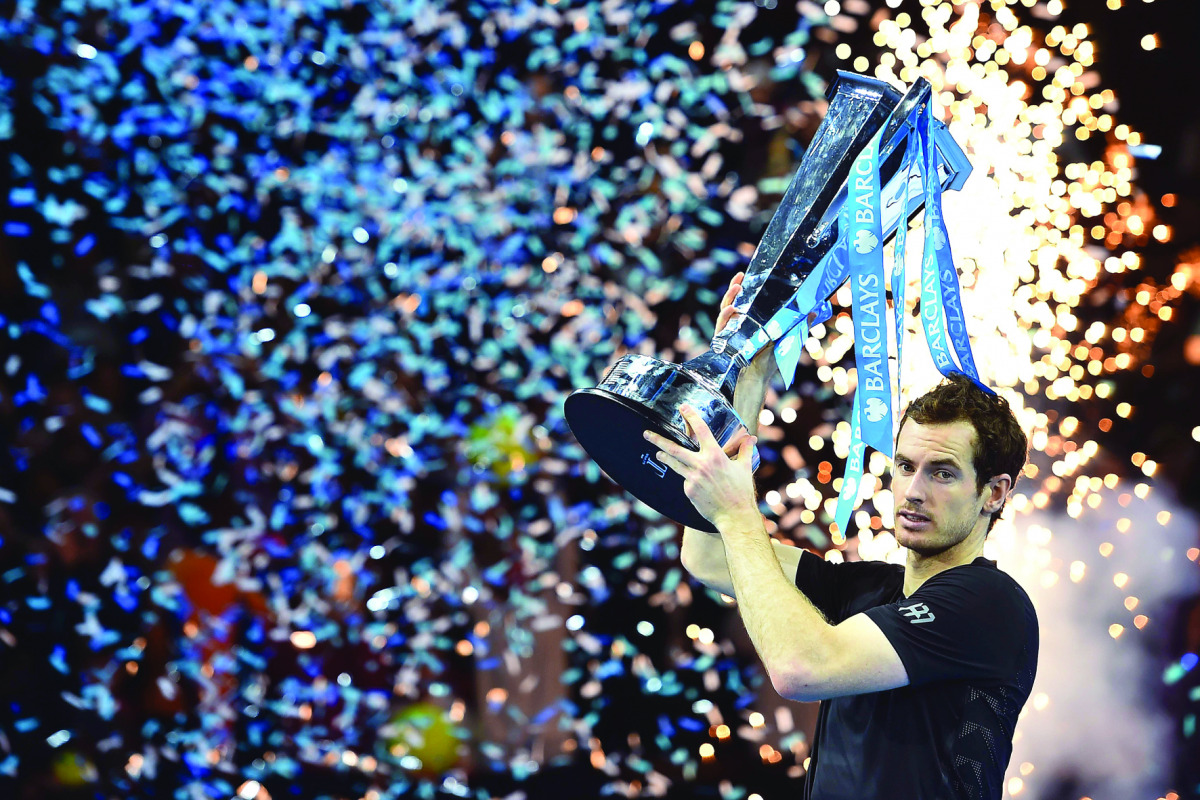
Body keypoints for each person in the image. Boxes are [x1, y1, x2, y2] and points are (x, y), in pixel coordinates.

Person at [643, 272, 1038, 799]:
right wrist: (751, 374)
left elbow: (800, 668)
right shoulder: (870, 590)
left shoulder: (990, 604)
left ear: (993, 493)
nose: (913, 491)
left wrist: (739, 514)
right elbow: (709, 553)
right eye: (904, 466)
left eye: (942, 473)